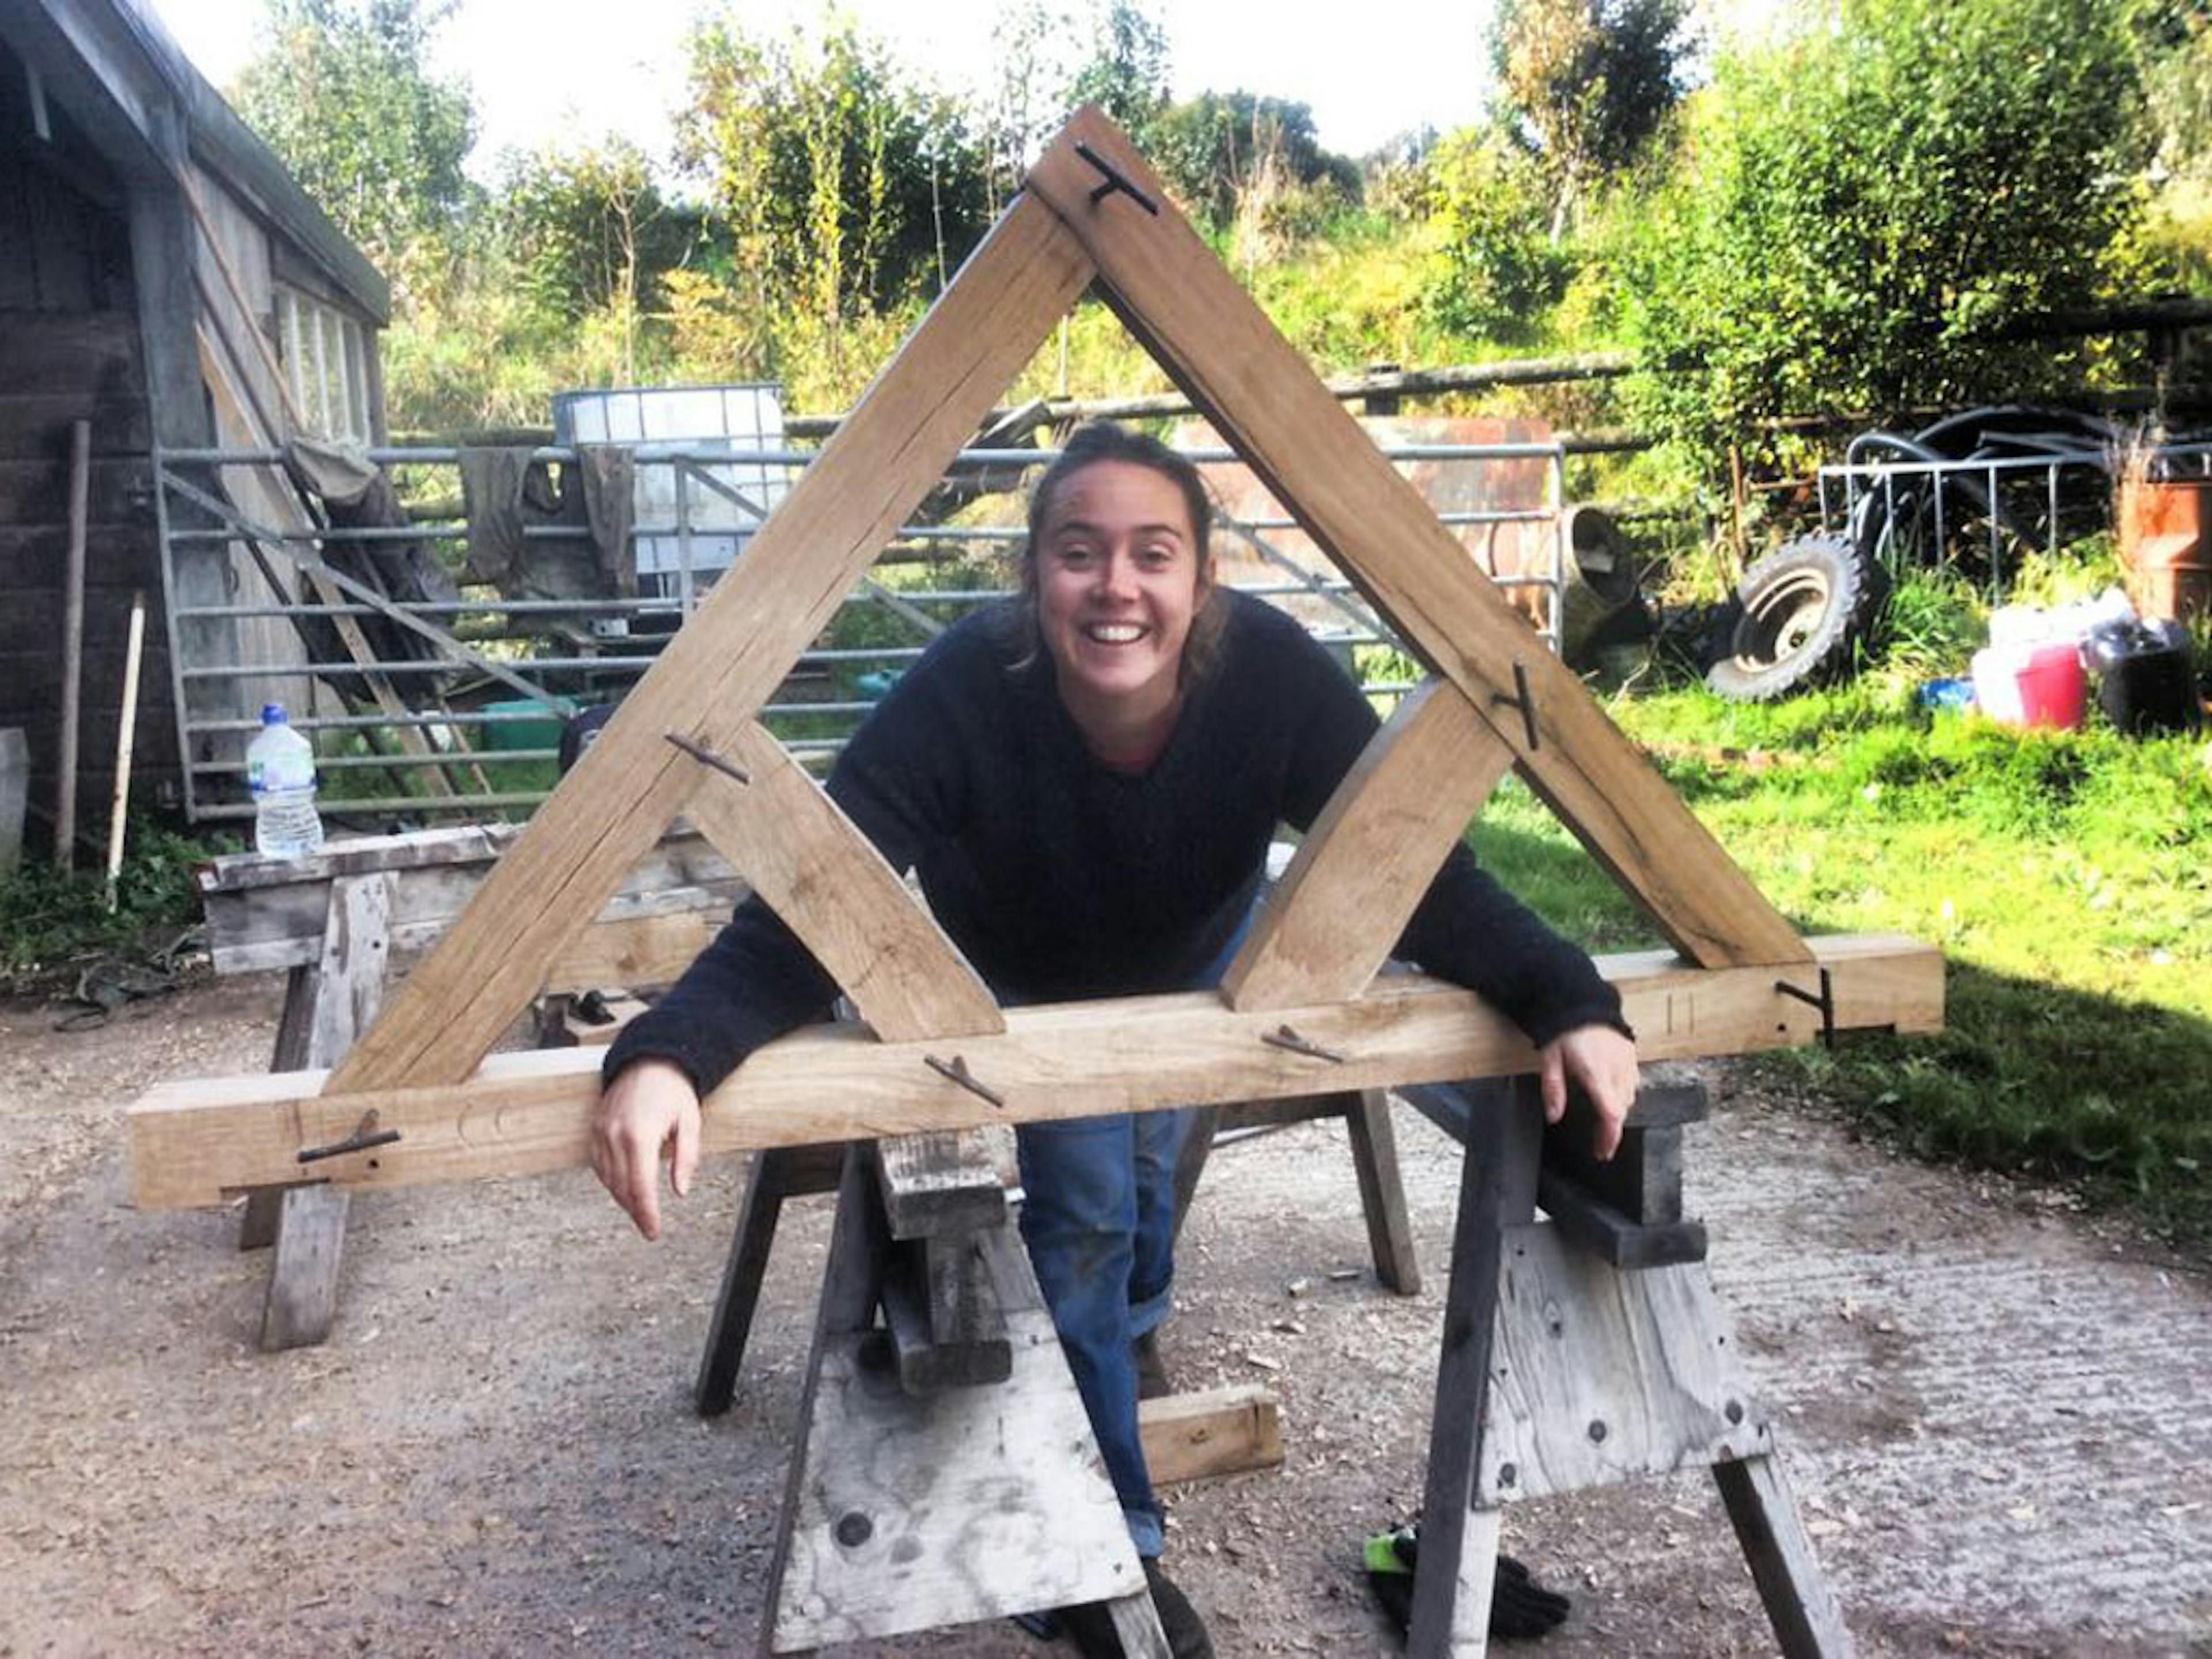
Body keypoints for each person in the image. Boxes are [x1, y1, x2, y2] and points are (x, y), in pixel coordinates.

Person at [591, 422, 1639, 1657]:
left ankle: (1122, 1345)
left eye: (1154, 553)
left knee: (1143, 1190)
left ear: (1203, 582)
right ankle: (1105, 1548)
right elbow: (813, 909)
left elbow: (1422, 878)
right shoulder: (965, 687)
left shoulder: (1275, 675)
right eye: (1079, 553)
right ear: (1033, 579)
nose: (1117, 586)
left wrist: (1570, 998)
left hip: (1198, 959)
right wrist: (668, 1053)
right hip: (1026, 985)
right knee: (1085, 1212)